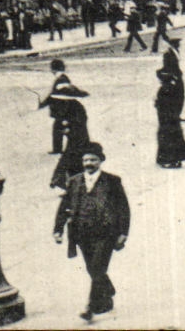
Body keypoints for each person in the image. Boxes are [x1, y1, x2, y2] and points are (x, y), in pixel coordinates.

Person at [53, 141, 130, 322]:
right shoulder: (74, 181)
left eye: (93, 160)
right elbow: (64, 206)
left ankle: (91, 308)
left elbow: (123, 208)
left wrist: (123, 232)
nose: (89, 163)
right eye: (86, 160)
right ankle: (107, 291)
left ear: (100, 161)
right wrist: (58, 229)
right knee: (93, 268)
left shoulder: (112, 181)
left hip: (105, 232)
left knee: (97, 267)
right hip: (81, 234)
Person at [154, 45, 185, 169]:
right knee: (171, 135)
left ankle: (169, 159)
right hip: (170, 117)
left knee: (168, 136)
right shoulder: (169, 87)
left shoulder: (165, 88)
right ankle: (171, 159)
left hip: (168, 117)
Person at [40, 59, 90, 155]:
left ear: (53, 69)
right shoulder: (62, 78)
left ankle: (60, 149)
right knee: (69, 128)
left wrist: (43, 104)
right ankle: (76, 147)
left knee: (63, 128)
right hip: (68, 108)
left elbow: (61, 93)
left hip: (65, 109)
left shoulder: (61, 79)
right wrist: (81, 93)